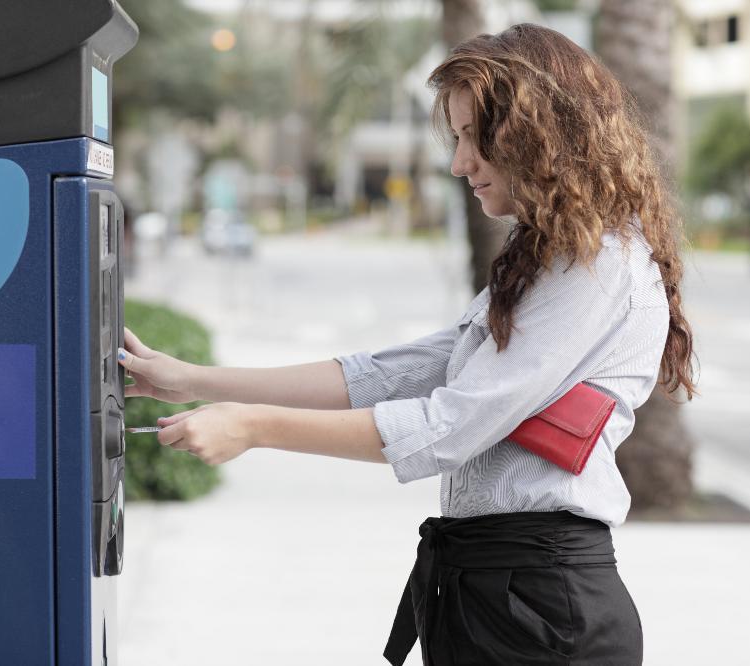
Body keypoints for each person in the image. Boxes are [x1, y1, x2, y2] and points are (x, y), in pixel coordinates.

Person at [117, 23, 698, 666]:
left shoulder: (598, 264)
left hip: (543, 611)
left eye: (480, 138)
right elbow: (402, 372)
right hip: (495, 594)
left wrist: (253, 427)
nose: (459, 162)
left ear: (543, 135)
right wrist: (194, 380)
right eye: (457, 138)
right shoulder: (545, 256)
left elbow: (450, 426)